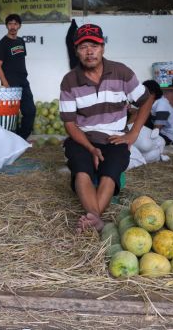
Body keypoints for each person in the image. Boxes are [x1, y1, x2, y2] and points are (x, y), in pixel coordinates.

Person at [58, 24, 155, 233]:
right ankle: (97, 219)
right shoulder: (69, 81)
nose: (89, 51)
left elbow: (147, 100)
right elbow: (69, 123)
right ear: (76, 51)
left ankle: (91, 217)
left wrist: (133, 134)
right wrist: (90, 148)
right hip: (83, 137)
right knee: (81, 166)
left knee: (110, 170)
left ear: (103, 47)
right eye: (83, 47)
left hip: (115, 138)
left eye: (94, 45)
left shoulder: (121, 72)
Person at [0, 14, 35, 140]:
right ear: (6, 26)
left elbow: (20, 60)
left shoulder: (21, 41)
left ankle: (21, 138)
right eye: (10, 24)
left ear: (19, 26)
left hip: (23, 81)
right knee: (11, 114)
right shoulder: (2, 43)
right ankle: (10, 140)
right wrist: (5, 84)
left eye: (15, 24)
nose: (13, 26)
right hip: (10, 83)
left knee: (30, 111)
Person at [142, 80, 173, 145]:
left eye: (144, 92)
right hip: (163, 132)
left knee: (143, 138)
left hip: (172, 138)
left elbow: (156, 130)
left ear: (152, 93)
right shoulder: (154, 102)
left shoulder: (162, 105)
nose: (142, 94)